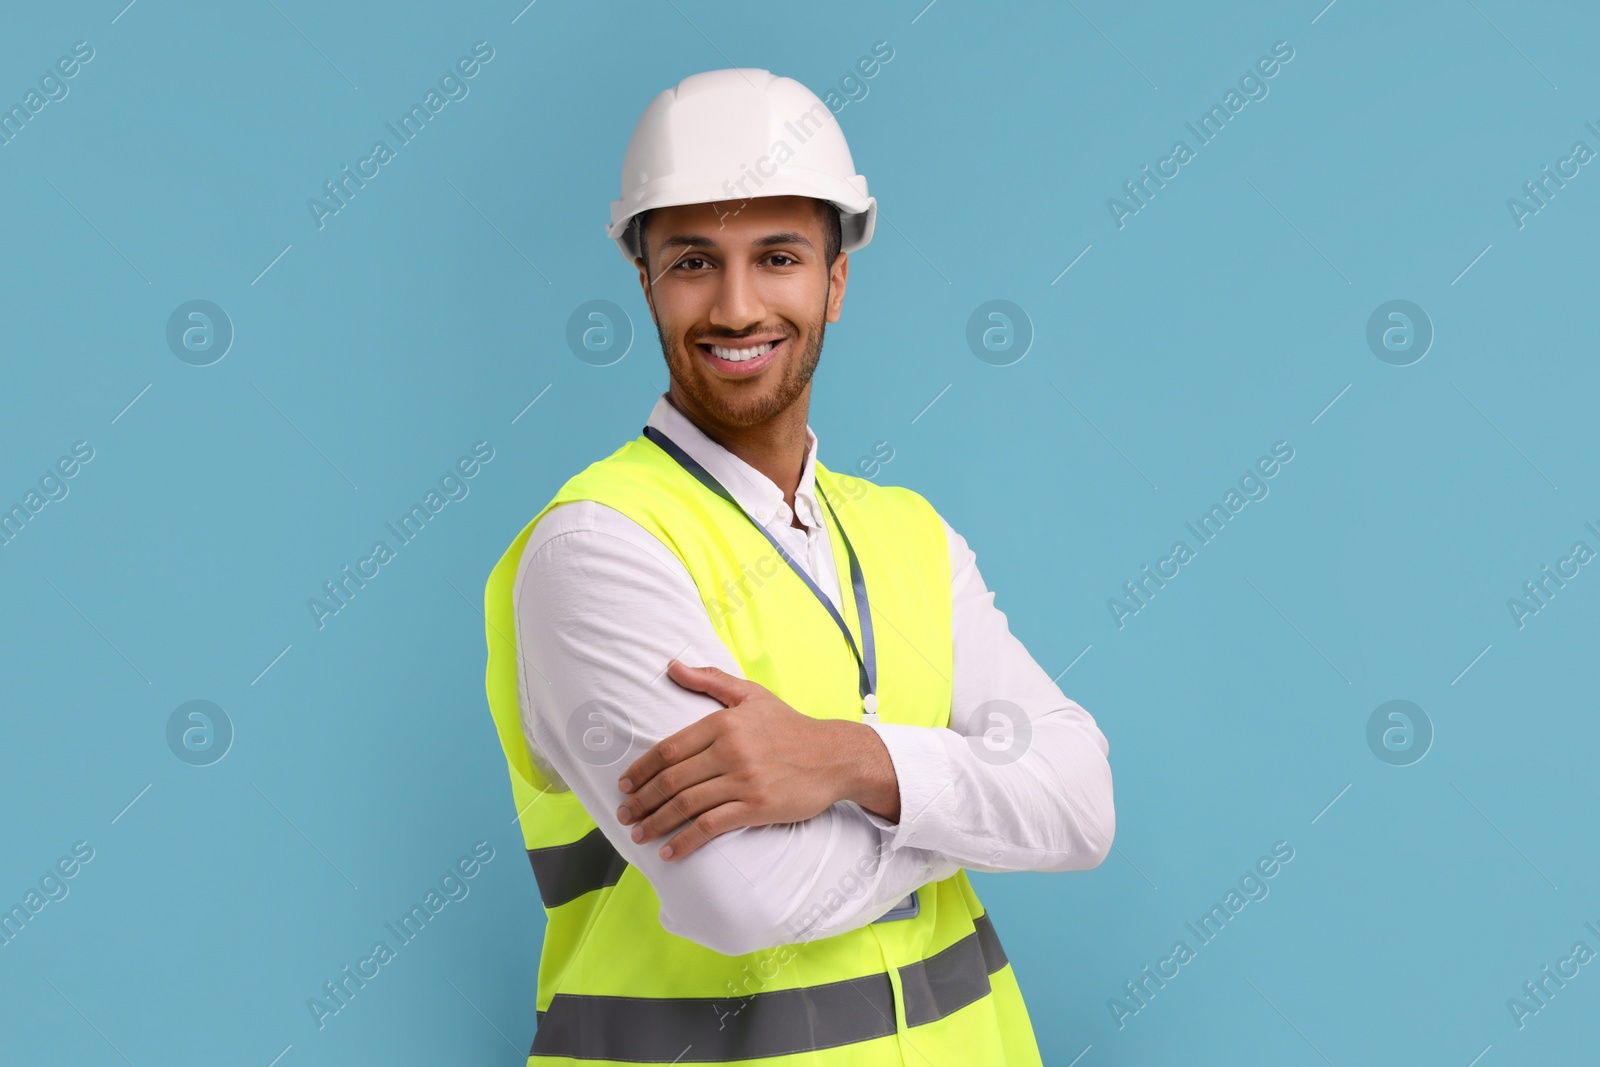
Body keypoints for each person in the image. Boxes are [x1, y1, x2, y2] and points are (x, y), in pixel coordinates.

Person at [480, 67, 1115, 1065]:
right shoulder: (599, 547)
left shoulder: (909, 532)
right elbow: (741, 896)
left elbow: (1082, 801)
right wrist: (977, 802)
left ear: (835, 279)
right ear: (645, 279)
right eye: (694, 261)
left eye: (776, 256)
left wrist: (850, 763)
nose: (736, 307)